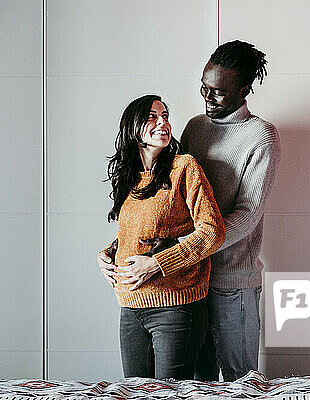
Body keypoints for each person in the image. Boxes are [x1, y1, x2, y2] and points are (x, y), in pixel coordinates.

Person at [96, 94, 225, 380]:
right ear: (133, 127)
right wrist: (106, 254)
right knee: (134, 392)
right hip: (130, 308)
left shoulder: (184, 168)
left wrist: (158, 263)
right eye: (152, 116)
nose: (162, 122)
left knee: (169, 394)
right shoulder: (129, 176)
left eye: (165, 115)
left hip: (175, 307)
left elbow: (213, 231)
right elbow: (134, 232)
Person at [182, 40, 281, 381]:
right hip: (188, 279)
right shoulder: (195, 128)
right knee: (197, 381)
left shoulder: (261, 135)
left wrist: (192, 247)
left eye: (219, 93)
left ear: (244, 91)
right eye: (204, 88)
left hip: (232, 281)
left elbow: (248, 214)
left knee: (241, 381)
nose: (207, 98)